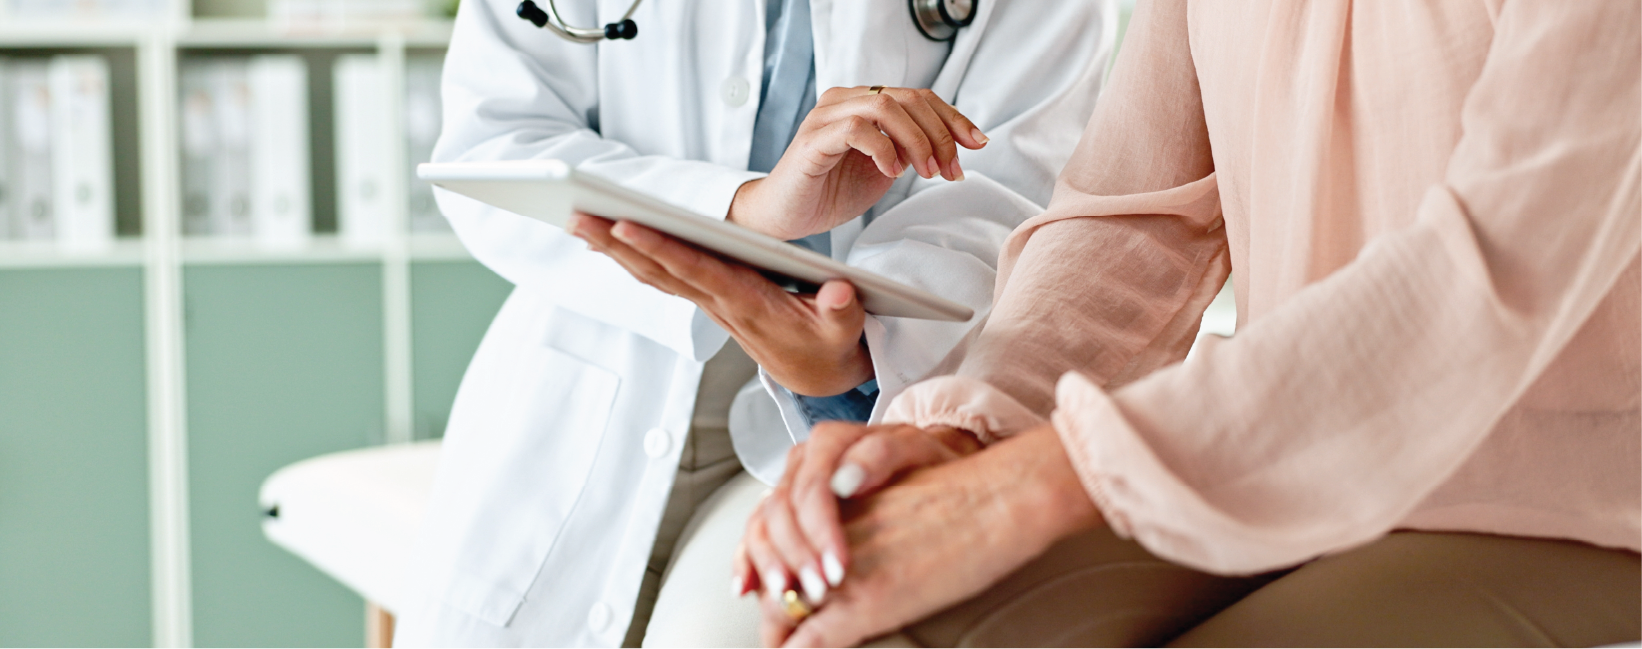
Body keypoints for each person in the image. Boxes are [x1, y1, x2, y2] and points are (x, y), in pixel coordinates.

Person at [734, 1, 1642, 647]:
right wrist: (959, 431)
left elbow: (1487, 274)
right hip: (1284, 463)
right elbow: (1136, 217)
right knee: (876, 627)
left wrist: (1029, 485)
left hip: (1561, 505)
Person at [393, 0, 1117, 646]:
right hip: (585, 391)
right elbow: (489, 149)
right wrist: (744, 209)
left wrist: (854, 356)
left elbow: (1003, 203)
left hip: (855, 413)